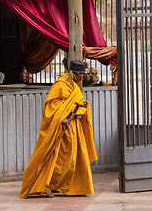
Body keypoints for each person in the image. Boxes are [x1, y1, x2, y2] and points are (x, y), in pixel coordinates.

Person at [20, 60, 97, 198]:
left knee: (71, 158)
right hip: (60, 127)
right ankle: (45, 185)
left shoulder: (73, 86)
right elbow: (52, 105)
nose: (82, 78)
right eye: (82, 75)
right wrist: (63, 118)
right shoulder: (60, 85)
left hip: (73, 128)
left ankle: (66, 186)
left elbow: (74, 103)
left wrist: (83, 106)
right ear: (77, 73)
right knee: (55, 156)